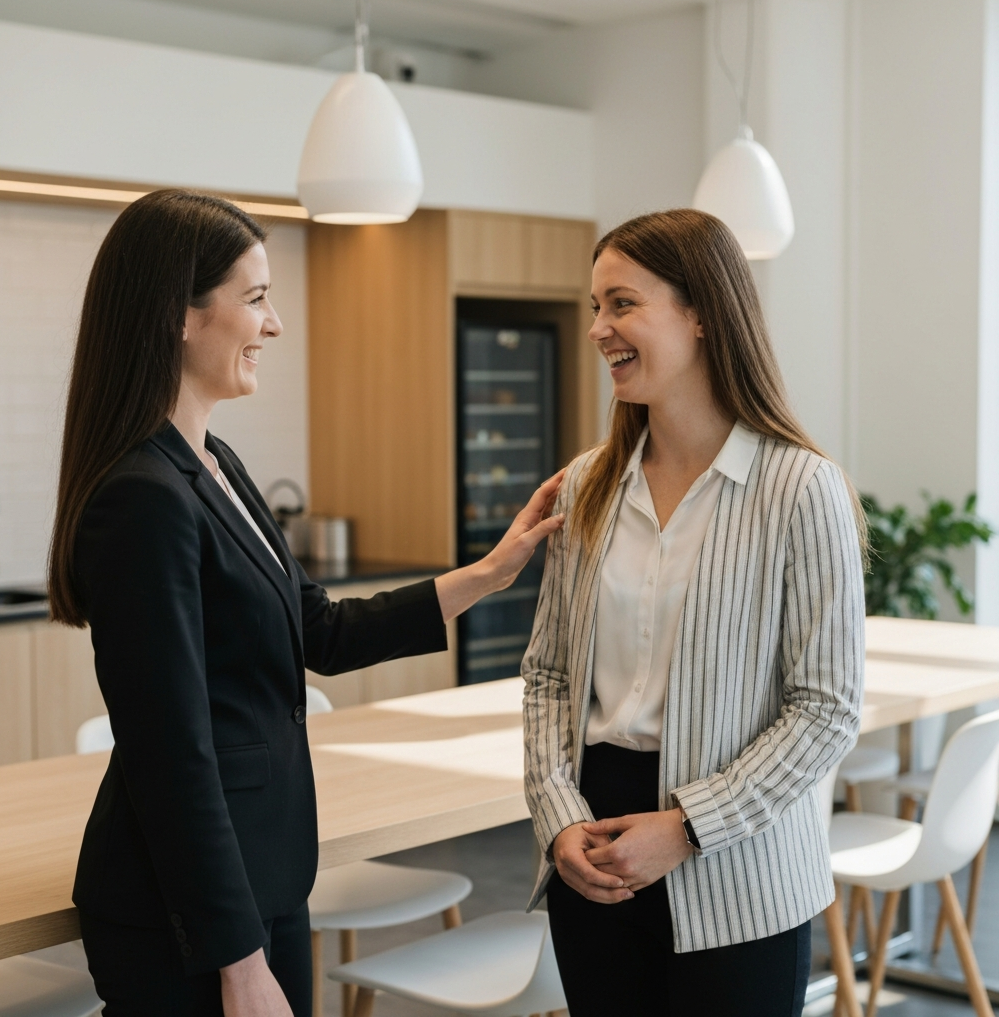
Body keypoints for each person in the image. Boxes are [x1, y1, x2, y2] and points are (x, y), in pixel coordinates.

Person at [48, 189, 564, 1017]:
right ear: (179, 315)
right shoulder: (143, 497)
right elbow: (171, 756)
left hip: (262, 876)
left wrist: (490, 573)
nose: (275, 324)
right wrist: (237, 957)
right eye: (255, 299)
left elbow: (316, 627)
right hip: (187, 919)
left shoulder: (213, 460)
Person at [522, 209, 865, 1017]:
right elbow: (547, 675)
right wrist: (560, 817)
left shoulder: (800, 488)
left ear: (701, 312)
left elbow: (826, 708)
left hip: (739, 859)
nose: (599, 329)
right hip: (593, 845)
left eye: (622, 304)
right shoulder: (585, 486)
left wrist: (686, 828)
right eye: (596, 307)